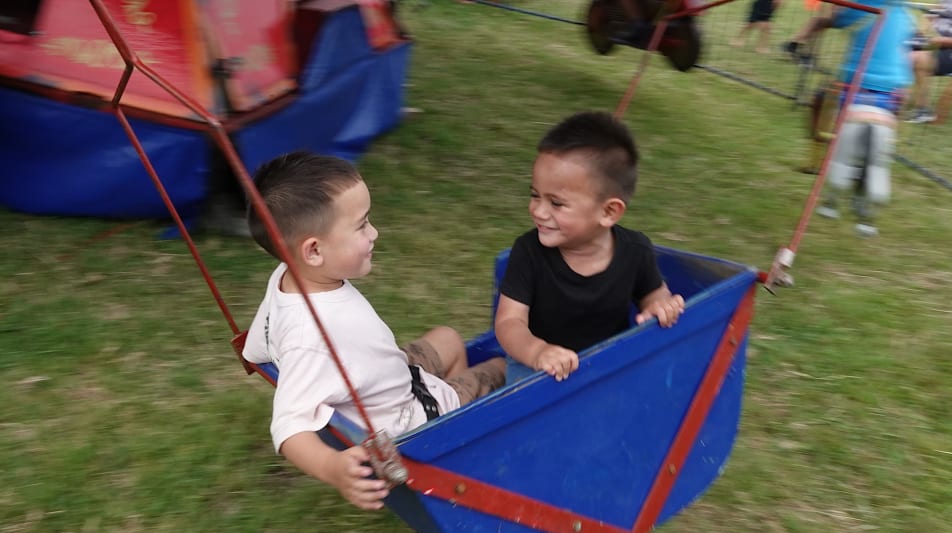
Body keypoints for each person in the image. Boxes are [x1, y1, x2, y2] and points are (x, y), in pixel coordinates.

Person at [241, 151, 506, 510]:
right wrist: (333, 468)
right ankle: (454, 444)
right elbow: (288, 425)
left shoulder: (286, 278)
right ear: (314, 250)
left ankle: (456, 420)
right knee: (506, 367)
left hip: (384, 380)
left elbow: (259, 344)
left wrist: (255, 358)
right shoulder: (312, 339)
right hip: (409, 417)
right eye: (362, 225)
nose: (375, 232)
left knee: (447, 338)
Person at [494, 111, 685, 383]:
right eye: (535, 195)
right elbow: (508, 322)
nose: (537, 210)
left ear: (608, 212)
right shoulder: (529, 252)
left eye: (556, 203)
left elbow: (654, 295)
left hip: (605, 370)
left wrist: (660, 306)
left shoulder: (635, 250)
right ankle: (495, 374)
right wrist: (538, 352)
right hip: (536, 371)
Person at [804, 0, 915, 236]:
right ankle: (867, 217)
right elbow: (911, 42)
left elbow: (834, 20)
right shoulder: (906, 14)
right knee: (878, 161)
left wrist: (812, 30)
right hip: (892, 91)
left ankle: (830, 197)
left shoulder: (860, 7)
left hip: (855, 86)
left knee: (824, 113)